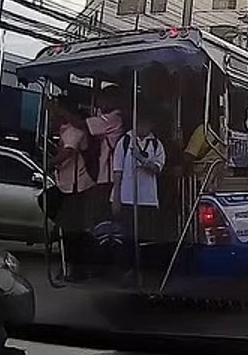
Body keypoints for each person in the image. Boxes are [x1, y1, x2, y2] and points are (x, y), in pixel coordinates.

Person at [111, 112, 166, 278]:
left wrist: (141, 159)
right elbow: (117, 172)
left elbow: (157, 169)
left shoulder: (156, 144)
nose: (143, 127)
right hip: (127, 198)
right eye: (140, 123)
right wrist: (116, 198)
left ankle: (145, 270)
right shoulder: (124, 142)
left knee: (146, 237)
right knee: (127, 237)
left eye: (146, 124)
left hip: (148, 199)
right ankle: (128, 270)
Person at [50, 101, 95, 281]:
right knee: (69, 229)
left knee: (73, 231)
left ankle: (77, 267)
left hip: (76, 186)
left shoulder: (73, 131)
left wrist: (50, 163)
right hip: (66, 184)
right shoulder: (65, 131)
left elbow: (68, 152)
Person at [83, 86, 126, 224]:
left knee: (103, 216)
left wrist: (61, 111)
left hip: (108, 175)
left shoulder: (114, 118)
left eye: (102, 99)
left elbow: (84, 125)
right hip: (105, 174)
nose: (100, 103)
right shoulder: (115, 118)